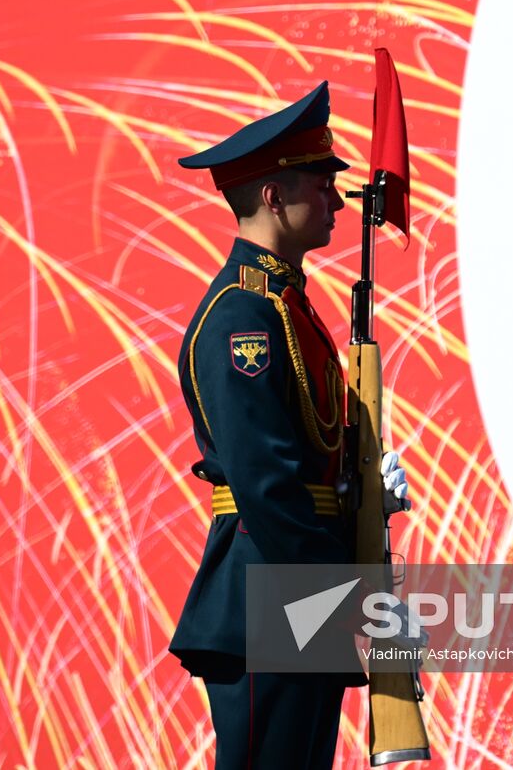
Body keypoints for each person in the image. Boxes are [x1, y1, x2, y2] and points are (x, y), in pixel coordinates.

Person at [167, 81, 411, 769]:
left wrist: (363, 492)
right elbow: (266, 487)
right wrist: (346, 593)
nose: (337, 200)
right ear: (274, 197)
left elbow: (308, 462)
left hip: (295, 591)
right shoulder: (243, 320)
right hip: (272, 590)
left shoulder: (287, 308)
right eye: (320, 183)